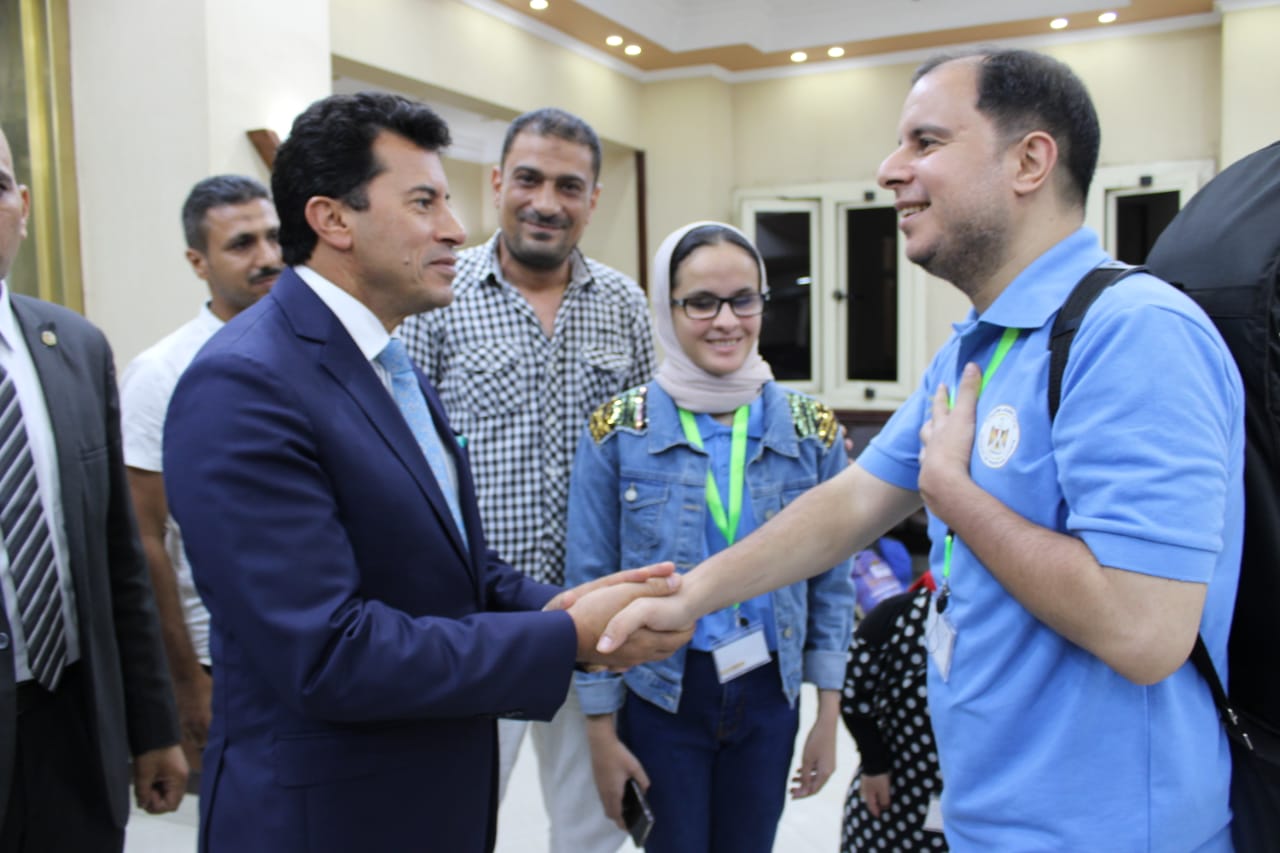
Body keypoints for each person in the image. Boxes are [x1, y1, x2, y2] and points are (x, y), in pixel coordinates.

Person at [598, 49, 1243, 851]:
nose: (889, 169)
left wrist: (956, 495)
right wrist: (690, 596)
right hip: (987, 818)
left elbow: (1144, 632)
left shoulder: (1135, 332)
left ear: (1030, 161)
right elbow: (852, 503)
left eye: (926, 142)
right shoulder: (983, 344)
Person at [162, 92, 688, 853]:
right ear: (333, 219)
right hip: (333, 814)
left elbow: (451, 564)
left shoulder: (383, 359)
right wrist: (563, 636)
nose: (455, 227)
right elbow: (328, 652)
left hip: (421, 781)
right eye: (423, 202)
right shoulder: (246, 384)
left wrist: (566, 603)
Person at [399, 106, 656, 853]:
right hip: (479, 617)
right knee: (453, 814)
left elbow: (646, 451)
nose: (547, 202)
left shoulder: (624, 305)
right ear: (497, 183)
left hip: (595, 611)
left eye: (568, 186)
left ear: (592, 200)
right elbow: (406, 456)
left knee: (593, 825)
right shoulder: (439, 295)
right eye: (529, 179)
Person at [566, 222, 854, 852]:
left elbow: (833, 583)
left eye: (743, 299)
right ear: (666, 311)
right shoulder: (618, 432)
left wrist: (828, 713)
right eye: (701, 302)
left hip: (771, 691)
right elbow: (590, 580)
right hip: (662, 691)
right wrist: (600, 732)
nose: (726, 321)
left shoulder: (811, 431)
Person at [0, 124, 186, 850]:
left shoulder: (72, 345)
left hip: (73, 724)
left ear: (22, 206)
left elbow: (118, 557)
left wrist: (153, 727)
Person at [120, 175, 282, 777]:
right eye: (242, 244)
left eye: (274, 237)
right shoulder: (161, 374)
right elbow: (145, 538)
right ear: (198, 261)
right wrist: (186, 681)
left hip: (322, 635)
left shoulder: (317, 348)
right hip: (222, 652)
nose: (267, 257)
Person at [841, 574, 945, 852]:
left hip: (988, 806)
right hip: (896, 791)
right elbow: (853, 694)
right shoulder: (899, 614)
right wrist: (874, 763)